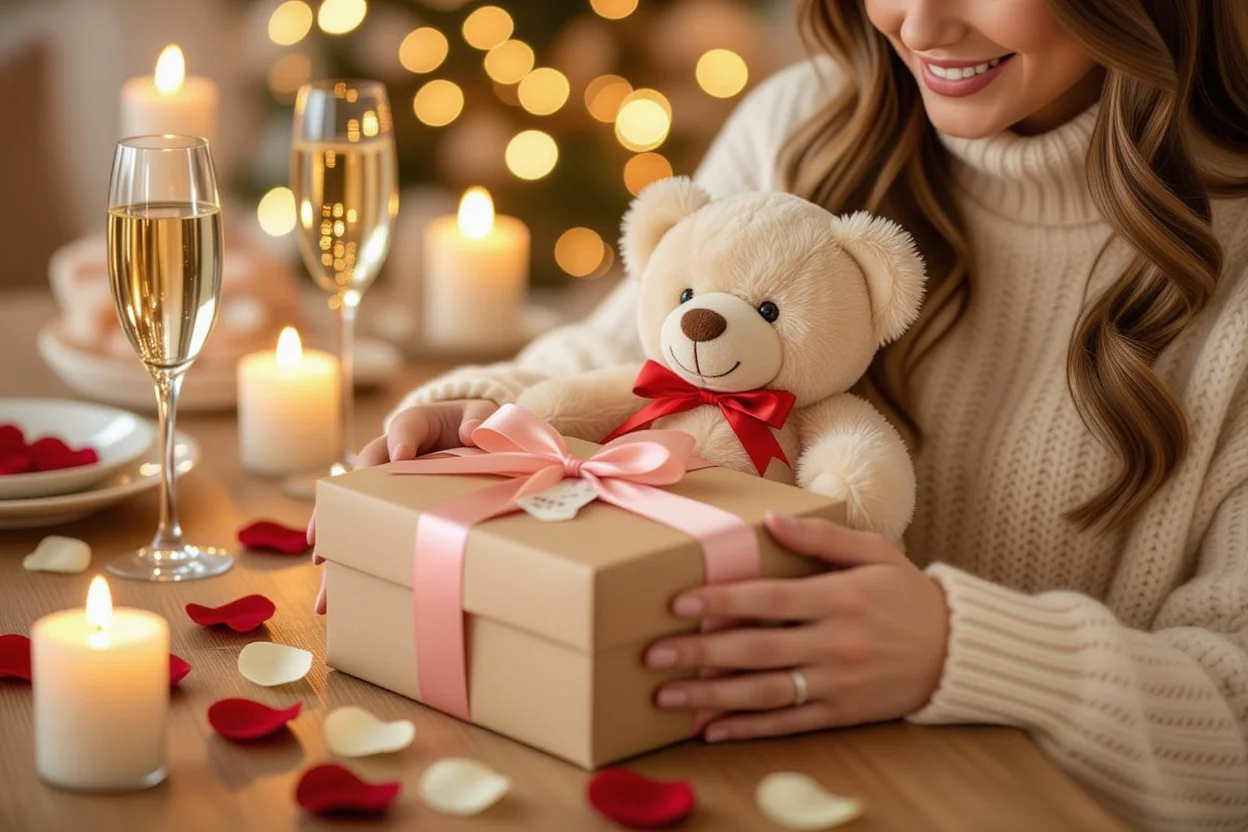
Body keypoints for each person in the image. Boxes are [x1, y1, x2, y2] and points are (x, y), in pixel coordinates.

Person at [344, 2, 1248, 828]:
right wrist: (490, 411)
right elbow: (632, 357)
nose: (920, 24)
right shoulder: (806, 118)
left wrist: (960, 648)